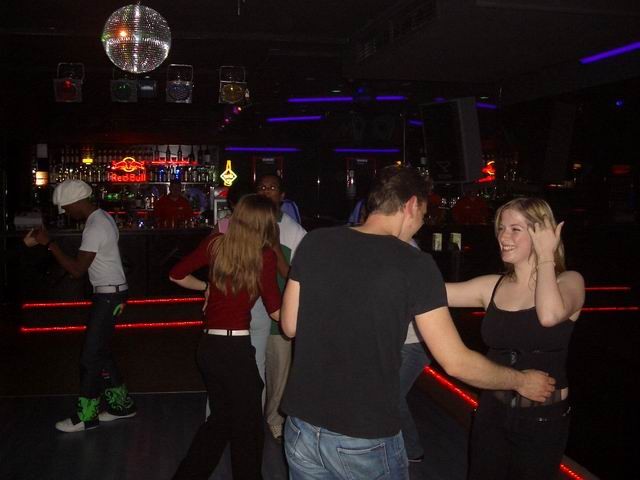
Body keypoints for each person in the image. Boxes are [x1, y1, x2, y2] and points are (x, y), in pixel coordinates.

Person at [279, 166, 556, 480]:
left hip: (301, 427)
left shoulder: (316, 242)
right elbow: (456, 362)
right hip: (363, 437)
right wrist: (520, 381)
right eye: (424, 214)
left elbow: (290, 325)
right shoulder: (414, 264)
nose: (422, 224)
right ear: (411, 204)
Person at [445, 197, 585, 480]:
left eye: (515, 229)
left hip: (542, 418)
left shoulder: (570, 281)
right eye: (501, 228)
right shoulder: (492, 286)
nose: (503, 236)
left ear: (541, 234)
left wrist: (545, 256)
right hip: (493, 409)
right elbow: (431, 292)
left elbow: (549, 316)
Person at [169, 194, 281, 480]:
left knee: (221, 421)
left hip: (209, 347)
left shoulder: (216, 244)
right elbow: (276, 311)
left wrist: (205, 287)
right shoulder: (264, 255)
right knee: (249, 427)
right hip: (235, 348)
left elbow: (176, 274)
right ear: (265, 223)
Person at [23, 179, 136, 432]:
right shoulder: (103, 218)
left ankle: (87, 415)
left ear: (76, 202)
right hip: (113, 293)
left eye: (66, 208)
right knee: (100, 352)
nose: (66, 213)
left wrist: (50, 244)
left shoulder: (95, 226)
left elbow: (76, 270)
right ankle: (122, 406)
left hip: (108, 297)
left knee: (89, 358)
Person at [253, 174, 306, 442]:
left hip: (278, 313)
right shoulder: (244, 224)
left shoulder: (294, 232)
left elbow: (297, 276)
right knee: (252, 371)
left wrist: (274, 247)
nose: (266, 191)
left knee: (278, 372)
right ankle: (251, 419)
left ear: (282, 196)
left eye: (272, 188)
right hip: (249, 311)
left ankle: (274, 419)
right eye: (261, 187)